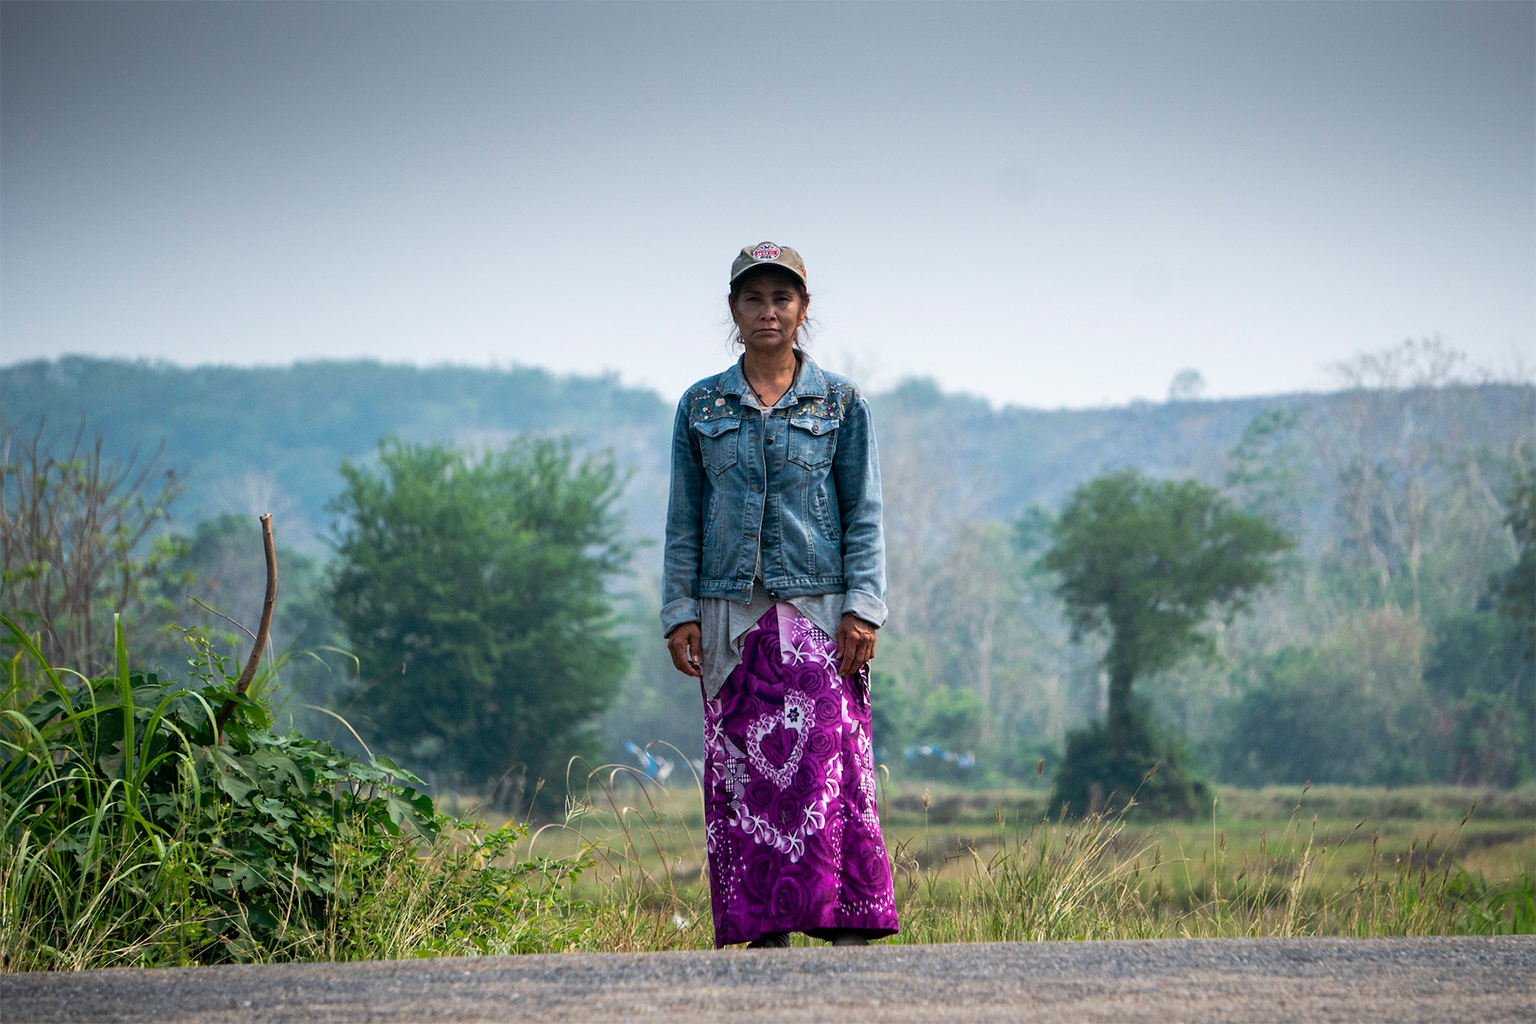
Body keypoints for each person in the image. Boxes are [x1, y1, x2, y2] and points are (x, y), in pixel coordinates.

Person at [661, 241, 899, 949]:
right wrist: (679, 613)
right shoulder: (701, 406)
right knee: (745, 782)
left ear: (803, 310)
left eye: (782, 298)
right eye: (754, 299)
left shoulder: (840, 403)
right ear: (734, 311)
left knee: (833, 771)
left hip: (820, 621)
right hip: (733, 625)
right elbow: (683, 520)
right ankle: (764, 943)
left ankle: (844, 932)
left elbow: (865, 513)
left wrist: (864, 608)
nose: (768, 311)